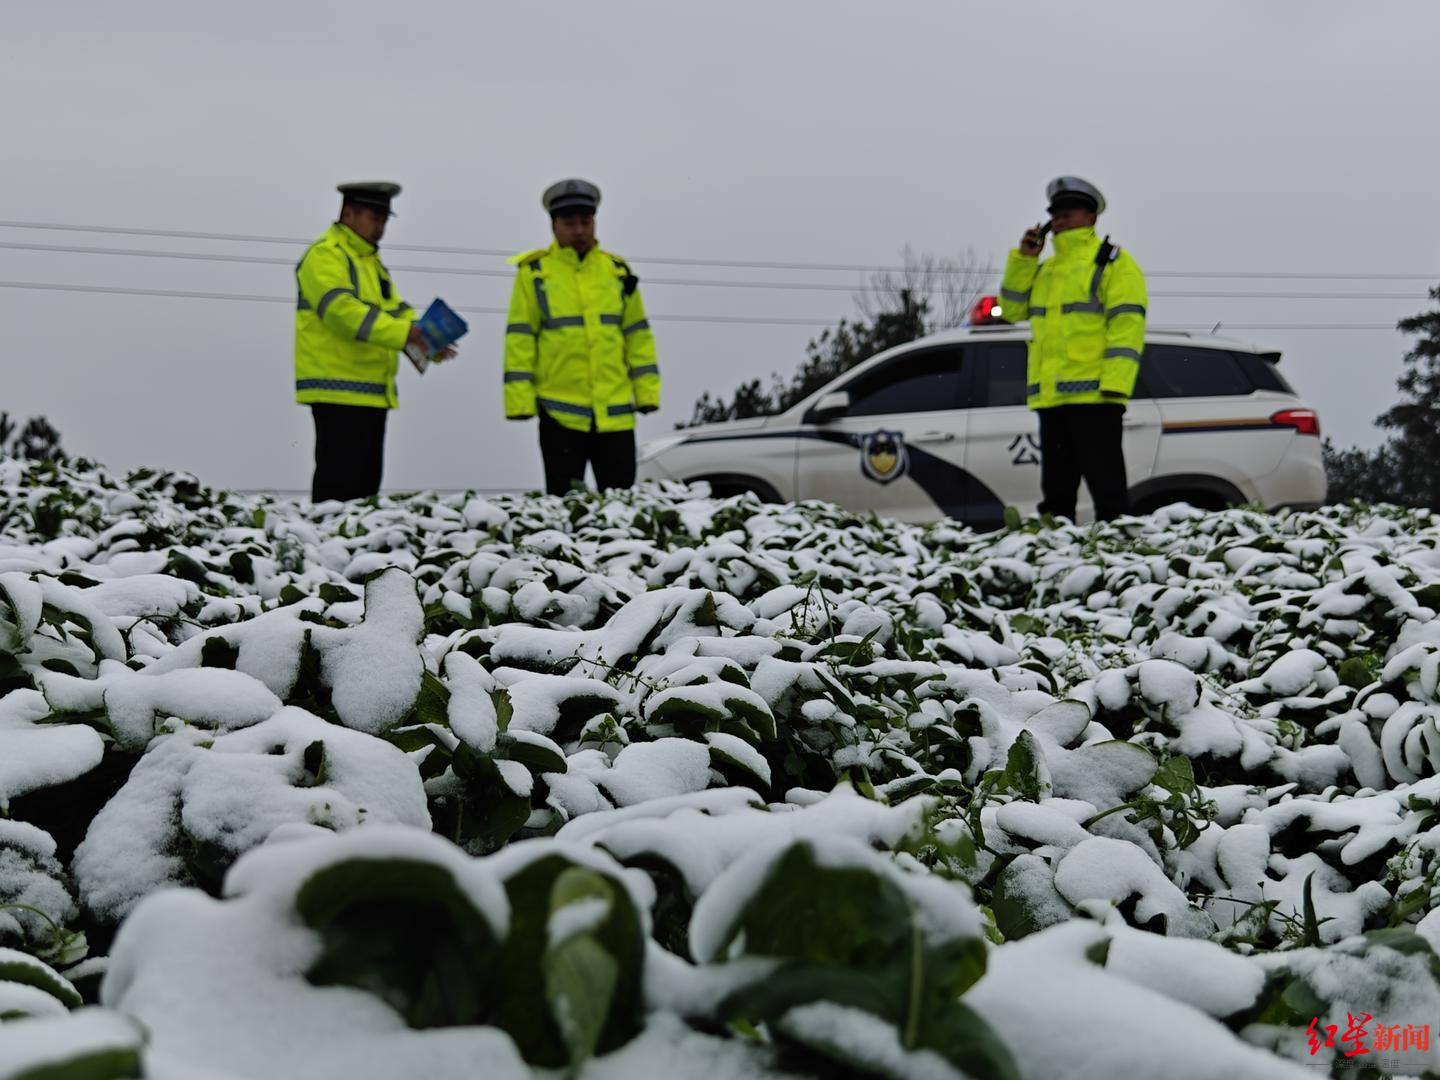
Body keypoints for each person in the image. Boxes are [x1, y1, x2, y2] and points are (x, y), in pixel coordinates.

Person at [998, 176, 1147, 522]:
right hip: (1051, 399)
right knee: (1056, 500)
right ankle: (1055, 562)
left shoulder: (1112, 263)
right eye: (1056, 213)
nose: (1061, 218)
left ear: (1091, 217)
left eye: (1070, 211)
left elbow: (1127, 326)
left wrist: (1116, 384)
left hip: (1096, 397)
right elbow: (1012, 310)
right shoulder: (1045, 270)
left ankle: (1115, 563)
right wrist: (1024, 260)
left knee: (1109, 498)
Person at [293, 181, 453, 503]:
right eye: (374, 217)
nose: (380, 226)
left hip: (370, 390)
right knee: (338, 492)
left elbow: (397, 312)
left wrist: (429, 340)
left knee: (364, 493)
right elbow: (342, 312)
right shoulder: (326, 255)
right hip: (337, 387)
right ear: (348, 213)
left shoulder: (370, 262)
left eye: (384, 218)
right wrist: (405, 334)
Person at [502, 178, 660, 496]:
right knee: (563, 510)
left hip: (615, 413)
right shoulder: (534, 274)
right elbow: (520, 338)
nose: (579, 230)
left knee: (620, 510)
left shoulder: (618, 272)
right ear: (553, 226)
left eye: (585, 222)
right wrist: (519, 401)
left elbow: (638, 337)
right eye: (569, 223)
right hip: (559, 413)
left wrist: (647, 394)